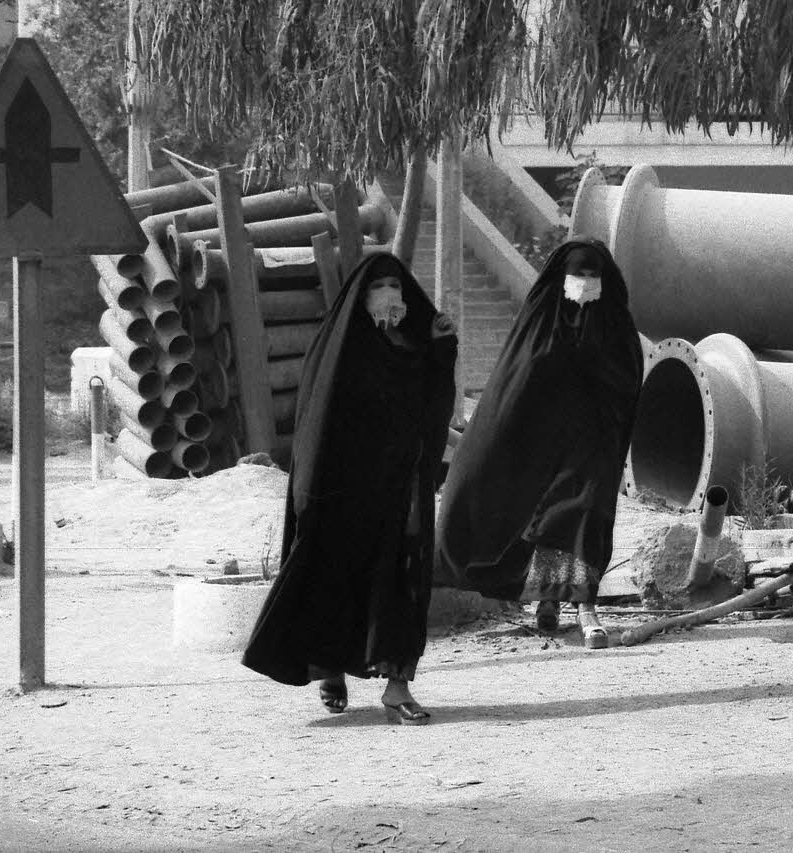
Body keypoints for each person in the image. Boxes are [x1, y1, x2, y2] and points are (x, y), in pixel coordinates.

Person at [241, 251, 457, 725]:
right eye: (380, 287)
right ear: (361, 296)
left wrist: (443, 351)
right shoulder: (339, 348)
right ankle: (330, 667)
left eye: (398, 287)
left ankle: (397, 689)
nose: (391, 296)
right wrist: (311, 492)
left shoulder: (416, 347)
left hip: (402, 493)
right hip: (345, 492)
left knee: (402, 584)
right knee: (337, 578)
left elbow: (434, 410)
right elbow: (316, 426)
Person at [435, 236, 643, 648]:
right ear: (561, 278)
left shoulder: (615, 326)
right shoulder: (540, 321)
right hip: (539, 447)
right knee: (542, 520)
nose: (585, 282)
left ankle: (585, 606)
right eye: (577, 275)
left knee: (585, 516)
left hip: (593, 446)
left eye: (592, 275)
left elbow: (628, 382)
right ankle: (549, 598)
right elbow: (513, 387)